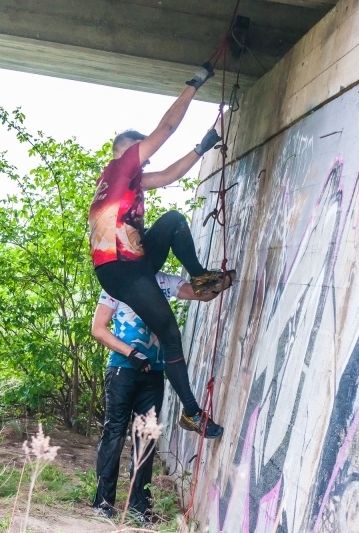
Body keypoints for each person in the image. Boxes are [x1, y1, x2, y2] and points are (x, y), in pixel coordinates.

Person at [88, 61, 235, 439]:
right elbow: (166, 128)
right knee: (169, 334)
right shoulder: (121, 168)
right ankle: (191, 412)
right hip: (121, 270)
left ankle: (199, 275)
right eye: (143, 156)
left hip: (133, 262)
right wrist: (195, 84)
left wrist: (202, 147)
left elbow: (170, 175)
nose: (146, 162)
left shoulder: (127, 183)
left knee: (170, 219)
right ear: (130, 152)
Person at [90, 271, 230, 520]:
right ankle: (103, 502)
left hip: (153, 373)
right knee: (114, 432)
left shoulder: (167, 281)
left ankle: (139, 508)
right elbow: (98, 329)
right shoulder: (118, 280)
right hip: (122, 369)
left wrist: (224, 281)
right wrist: (131, 353)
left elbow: (203, 295)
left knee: (146, 438)